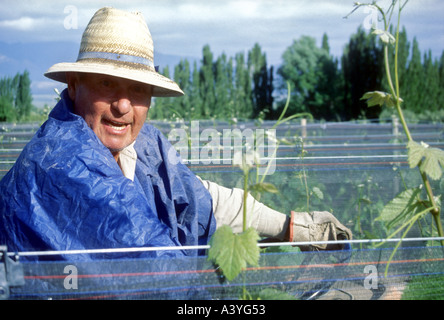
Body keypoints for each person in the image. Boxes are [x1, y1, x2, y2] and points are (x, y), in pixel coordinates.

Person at [0, 7, 351, 260]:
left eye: (138, 90)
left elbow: (196, 197)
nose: (123, 106)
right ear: (74, 87)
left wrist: (290, 227)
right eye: (107, 84)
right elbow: (159, 273)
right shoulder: (65, 165)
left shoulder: (142, 145)